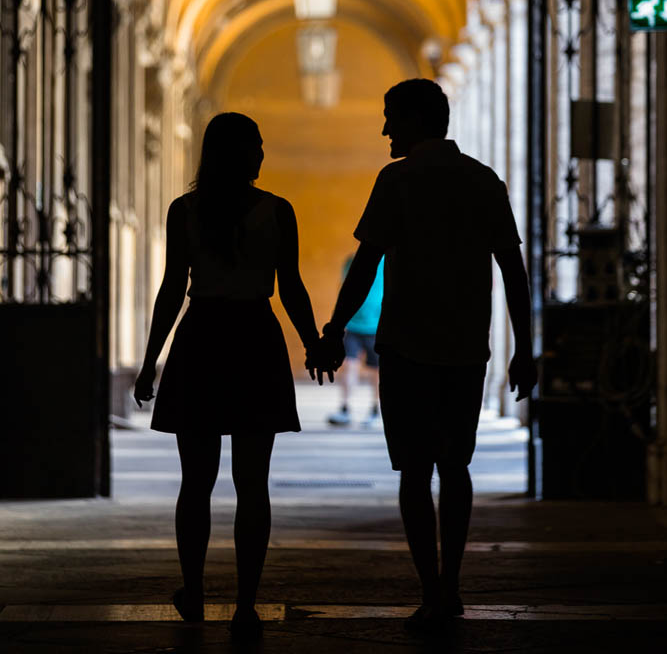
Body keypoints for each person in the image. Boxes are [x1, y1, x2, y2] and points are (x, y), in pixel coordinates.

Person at [320, 79, 537, 635]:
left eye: (392, 116)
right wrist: (526, 349)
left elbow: (366, 264)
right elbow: (514, 273)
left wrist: (333, 330)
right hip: (466, 348)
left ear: (418, 119)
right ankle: (453, 584)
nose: (386, 128)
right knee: (456, 467)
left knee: (414, 473)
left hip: (406, 348)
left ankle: (430, 589)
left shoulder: (397, 180)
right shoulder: (484, 181)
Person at [133, 112, 328, 641]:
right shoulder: (277, 211)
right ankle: (245, 603)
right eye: (257, 146)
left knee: (195, 483)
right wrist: (313, 344)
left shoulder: (185, 210)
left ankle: (193, 591)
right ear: (241, 153)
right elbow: (290, 287)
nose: (263, 155)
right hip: (253, 341)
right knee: (253, 484)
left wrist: (152, 358)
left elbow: (173, 289)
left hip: (200, 342)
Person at [328, 254, 383, 428]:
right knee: (349, 365)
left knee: (376, 371)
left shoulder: (389, 262)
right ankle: (344, 408)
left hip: (376, 327)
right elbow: (343, 288)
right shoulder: (352, 261)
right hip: (352, 325)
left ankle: (375, 409)